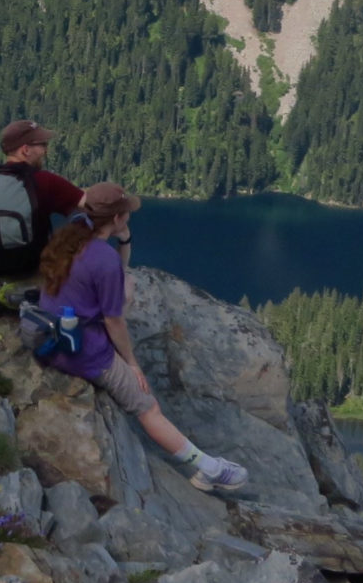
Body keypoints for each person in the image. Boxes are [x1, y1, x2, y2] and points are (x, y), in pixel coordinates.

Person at [38, 182, 248, 495]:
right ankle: (207, 469)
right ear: (118, 217)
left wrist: (124, 239)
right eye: (127, 213)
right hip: (81, 351)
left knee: (129, 282)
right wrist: (131, 363)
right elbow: (114, 320)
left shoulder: (72, 234)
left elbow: (120, 270)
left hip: (50, 331)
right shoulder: (102, 259)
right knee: (147, 406)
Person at [0, 118, 84, 301]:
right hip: (32, 273)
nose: (46, 150)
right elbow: (90, 204)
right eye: (42, 144)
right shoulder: (44, 181)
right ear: (25, 150)